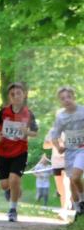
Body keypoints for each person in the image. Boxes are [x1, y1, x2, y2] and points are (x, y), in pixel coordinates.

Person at [0, 82, 39, 222]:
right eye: (13, 94)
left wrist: (27, 132)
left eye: (19, 93)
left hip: (20, 151)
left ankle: (12, 210)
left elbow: (35, 133)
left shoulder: (29, 114)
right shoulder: (3, 112)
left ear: (24, 95)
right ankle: (13, 189)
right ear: (9, 97)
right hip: (3, 152)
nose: (16, 96)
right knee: (4, 185)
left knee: (14, 179)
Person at [47, 86, 84, 222]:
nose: (66, 100)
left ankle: (82, 201)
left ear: (73, 97)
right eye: (62, 98)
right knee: (71, 184)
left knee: (75, 178)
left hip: (82, 149)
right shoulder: (61, 116)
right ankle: (78, 210)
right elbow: (54, 135)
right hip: (70, 151)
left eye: (68, 97)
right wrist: (59, 147)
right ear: (60, 102)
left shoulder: (82, 111)